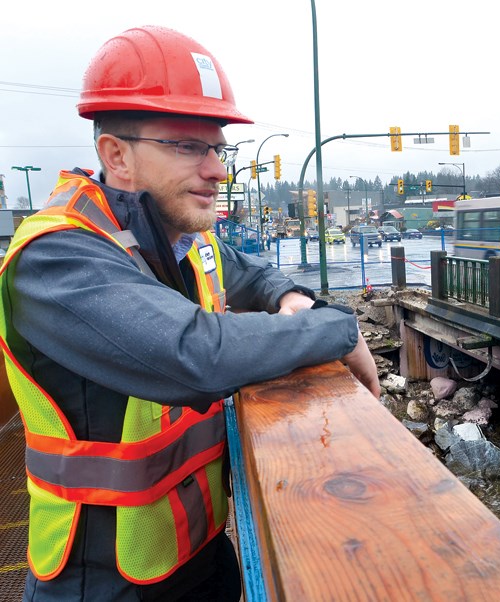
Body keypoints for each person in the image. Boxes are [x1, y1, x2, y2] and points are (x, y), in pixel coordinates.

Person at [0, 25, 379, 601]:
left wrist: (289, 298)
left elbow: (245, 270)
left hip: (200, 552)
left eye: (217, 148)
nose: (217, 170)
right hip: (99, 578)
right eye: (188, 146)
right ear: (116, 155)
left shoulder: (180, 235)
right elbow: (194, 355)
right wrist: (336, 327)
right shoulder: (59, 255)